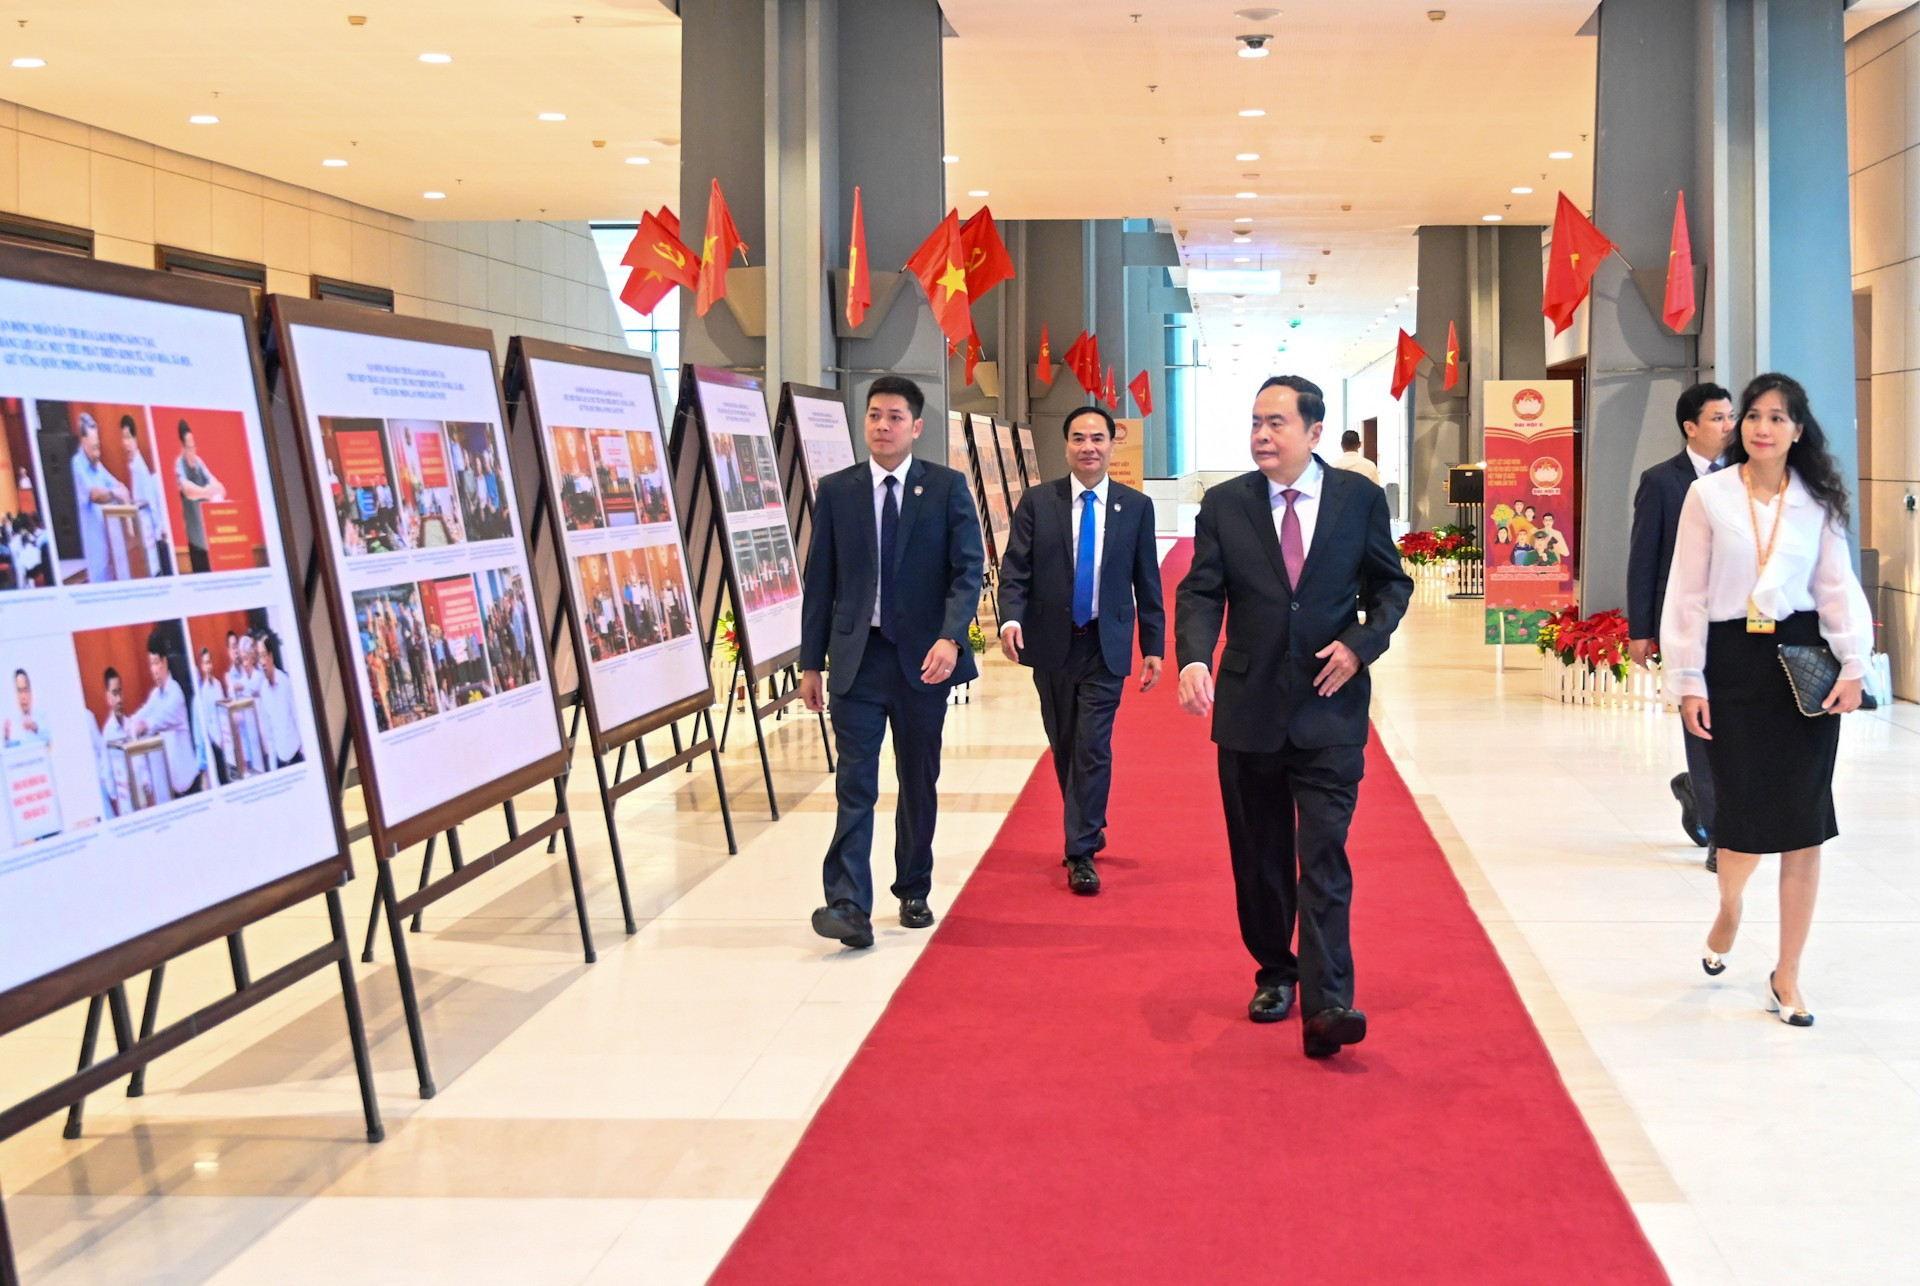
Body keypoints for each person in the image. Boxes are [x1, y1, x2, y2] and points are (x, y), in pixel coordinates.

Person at [1176, 375, 1412, 1058]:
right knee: (1260, 857)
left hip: (1330, 708)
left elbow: (1391, 586)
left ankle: (1329, 998)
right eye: (1255, 422)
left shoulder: (1358, 500)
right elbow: (1201, 592)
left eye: (1276, 423)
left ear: (1314, 432)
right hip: (1249, 710)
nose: (1261, 435)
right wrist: (1194, 658)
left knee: (1324, 853)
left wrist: (1361, 644)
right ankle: (1276, 973)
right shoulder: (1226, 504)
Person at [1662, 373, 1873, 1029]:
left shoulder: (1818, 499)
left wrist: (1854, 663)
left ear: (1798, 430)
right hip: (1733, 665)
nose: (1761, 427)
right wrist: (1688, 679)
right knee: (1743, 822)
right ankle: (1730, 908)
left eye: (1778, 417)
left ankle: (1787, 973)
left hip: (1804, 666)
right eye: (1752, 415)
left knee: (1804, 825)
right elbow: (1687, 593)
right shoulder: (1708, 494)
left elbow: (1836, 585)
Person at [799, 375, 986, 950]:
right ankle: (848, 904)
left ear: (917, 426)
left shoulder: (946, 487)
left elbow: (967, 570)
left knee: (917, 778)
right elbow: (820, 581)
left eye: (895, 417)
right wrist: (810, 663)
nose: (882, 426)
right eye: (874, 415)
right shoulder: (838, 491)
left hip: (923, 662)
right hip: (857, 660)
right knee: (855, 781)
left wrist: (952, 638)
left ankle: (913, 888)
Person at [997, 404, 1166, 895]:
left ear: (1112, 444)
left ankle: (1081, 850)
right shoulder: (1038, 502)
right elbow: (1016, 569)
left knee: (1093, 745)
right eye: (1078, 438)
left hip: (1104, 643)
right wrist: (1010, 618)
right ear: (1066, 445)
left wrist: (1153, 644)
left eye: (1097, 438)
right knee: (1066, 743)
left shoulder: (1135, 507)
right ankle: (1087, 817)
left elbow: (1147, 580)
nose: (1088, 447)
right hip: (1051, 642)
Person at [1629, 382, 1735, 871]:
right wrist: (1640, 628)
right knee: (1703, 724)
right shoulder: (1661, 481)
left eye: (1731, 417)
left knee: (1738, 727)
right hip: (1685, 622)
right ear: (1690, 427)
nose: (1728, 426)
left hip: (1738, 623)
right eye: (1717, 418)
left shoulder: (1745, 478)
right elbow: (1643, 558)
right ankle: (1721, 835)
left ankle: (1697, 789)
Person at [129, 635, 200, 799]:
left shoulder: (175, 693)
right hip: (172, 790)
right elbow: (142, 714)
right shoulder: (156, 695)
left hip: (189, 787)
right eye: (151, 664)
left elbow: (160, 719)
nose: (153, 670)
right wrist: (132, 723)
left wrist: (144, 725)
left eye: (156, 663)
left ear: (164, 662)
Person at [71, 412, 131, 582]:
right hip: (96, 551)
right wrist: (114, 493)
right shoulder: (78, 464)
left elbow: (118, 486)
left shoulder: (97, 464)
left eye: (98, 446)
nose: (98, 453)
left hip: (112, 546)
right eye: (93, 448)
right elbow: (94, 494)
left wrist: (120, 490)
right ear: (83, 442)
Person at [119, 415, 173, 577]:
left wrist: (159, 534)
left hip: (153, 538)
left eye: (129, 437)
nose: (126, 443)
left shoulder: (140, 469)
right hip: (147, 536)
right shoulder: (133, 467)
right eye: (123, 438)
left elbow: (152, 505)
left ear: (136, 438)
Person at [174, 419, 228, 574]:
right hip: (195, 538)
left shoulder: (199, 463)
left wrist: (212, 489)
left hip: (209, 537)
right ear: (183, 448)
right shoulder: (179, 464)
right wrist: (207, 491)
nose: (193, 452)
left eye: (194, 447)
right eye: (189, 448)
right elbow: (188, 490)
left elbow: (221, 489)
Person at [255, 632, 305, 768]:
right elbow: (269, 732)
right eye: (258, 657)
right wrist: (273, 767)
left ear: (271, 655)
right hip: (280, 762)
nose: (262, 662)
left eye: (263, 655)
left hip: (297, 757)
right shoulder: (263, 690)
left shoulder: (285, 682)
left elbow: (298, 717)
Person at [3, 668, 49, 746]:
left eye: (25, 690)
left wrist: (33, 727)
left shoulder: (41, 716)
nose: (23, 697)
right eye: (19, 691)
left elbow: (50, 741)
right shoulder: (13, 722)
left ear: (30, 691)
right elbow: (12, 749)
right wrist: (6, 738)